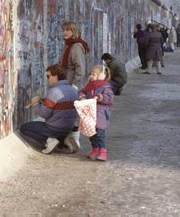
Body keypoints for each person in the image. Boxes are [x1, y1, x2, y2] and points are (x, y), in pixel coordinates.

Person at [20, 64, 79, 154]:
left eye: (48, 76)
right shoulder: (74, 90)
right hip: (68, 128)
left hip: (54, 129)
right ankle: (63, 142)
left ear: (55, 77)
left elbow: (44, 114)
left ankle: (49, 141)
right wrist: (44, 101)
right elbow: (60, 107)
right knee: (56, 131)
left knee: (24, 128)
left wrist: (35, 103)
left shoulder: (53, 92)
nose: (47, 79)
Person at [60, 21, 90, 149]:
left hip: (72, 83)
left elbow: (80, 68)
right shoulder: (68, 45)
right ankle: (67, 140)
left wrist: (75, 85)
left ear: (74, 32)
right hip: (67, 82)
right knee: (67, 110)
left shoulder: (76, 46)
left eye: (68, 30)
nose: (65, 32)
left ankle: (75, 140)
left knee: (73, 111)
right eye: (64, 30)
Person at [78, 65, 114, 161]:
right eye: (91, 74)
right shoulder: (89, 86)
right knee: (92, 134)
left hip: (100, 114)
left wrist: (100, 97)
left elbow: (109, 99)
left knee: (100, 134)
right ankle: (95, 150)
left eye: (93, 74)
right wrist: (82, 96)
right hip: (90, 113)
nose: (91, 76)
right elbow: (83, 92)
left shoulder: (105, 87)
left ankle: (102, 151)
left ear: (101, 76)